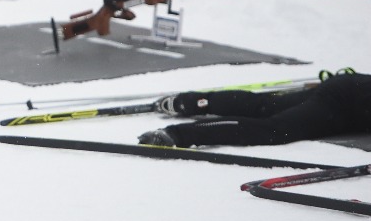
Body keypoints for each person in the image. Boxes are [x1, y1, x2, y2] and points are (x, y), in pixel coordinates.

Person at [138, 70, 370, 148]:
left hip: (348, 91)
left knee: (265, 106)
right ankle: (178, 134)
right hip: (341, 103)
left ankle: (190, 101)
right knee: (275, 129)